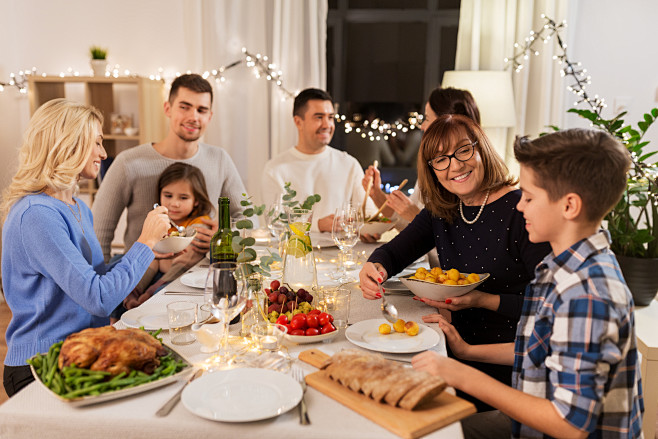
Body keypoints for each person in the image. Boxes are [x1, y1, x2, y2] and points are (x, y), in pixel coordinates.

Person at [413, 128, 643, 438]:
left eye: (530, 197)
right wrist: (466, 351)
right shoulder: (561, 266)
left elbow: (570, 424)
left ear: (569, 206)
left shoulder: (586, 295)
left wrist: (461, 375)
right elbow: (542, 351)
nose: (520, 206)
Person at [359, 114, 551, 411]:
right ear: (432, 170)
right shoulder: (444, 208)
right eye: (440, 159)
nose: (455, 166)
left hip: (508, 360)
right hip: (451, 347)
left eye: (463, 150)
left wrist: (482, 300)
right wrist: (375, 267)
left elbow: (546, 307)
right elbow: (395, 252)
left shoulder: (522, 212)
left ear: (481, 148)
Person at [1, 99, 170, 397]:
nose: (103, 154)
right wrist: (145, 242)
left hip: (83, 349)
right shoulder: (37, 214)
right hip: (41, 365)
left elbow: (94, 279)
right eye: (97, 142)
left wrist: (148, 257)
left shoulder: (77, 207)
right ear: (68, 144)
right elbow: (98, 297)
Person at [92, 73, 246, 262]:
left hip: (202, 275)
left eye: (202, 110)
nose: (193, 117)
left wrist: (224, 234)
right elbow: (99, 233)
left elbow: (248, 217)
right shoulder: (128, 162)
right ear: (168, 108)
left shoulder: (220, 159)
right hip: (143, 277)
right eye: (184, 107)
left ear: (210, 116)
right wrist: (107, 285)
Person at [362, 87, 482, 237]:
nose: (422, 126)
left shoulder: (466, 178)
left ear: (446, 122)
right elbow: (409, 225)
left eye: (427, 118)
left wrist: (416, 217)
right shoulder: (432, 167)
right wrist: (377, 194)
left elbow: (462, 247)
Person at [261, 88, 376, 232]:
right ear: (298, 122)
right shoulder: (275, 169)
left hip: (343, 252)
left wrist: (367, 231)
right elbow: (276, 225)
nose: (327, 125)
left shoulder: (349, 164)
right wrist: (318, 225)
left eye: (330, 117)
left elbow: (368, 215)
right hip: (295, 253)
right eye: (319, 117)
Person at [121, 163, 213, 310]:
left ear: (196, 201)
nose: (174, 204)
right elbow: (150, 258)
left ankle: (149, 295)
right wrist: (134, 292)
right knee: (125, 267)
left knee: (161, 293)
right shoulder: (161, 222)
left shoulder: (200, 225)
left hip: (177, 279)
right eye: (168, 196)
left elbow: (185, 261)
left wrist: (151, 291)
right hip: (155, 274)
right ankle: (131, 296)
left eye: (183, 198)